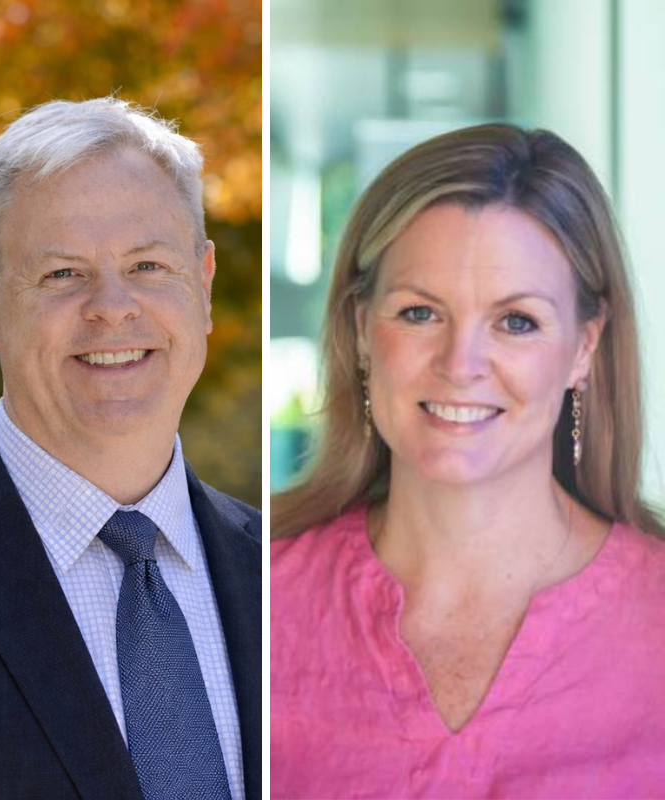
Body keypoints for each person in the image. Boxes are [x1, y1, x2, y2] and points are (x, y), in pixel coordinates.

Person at [0, 97, 262, 800]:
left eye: (147, 266)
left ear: (202, 285)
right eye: (62, 274)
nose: (112, 307)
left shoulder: (285, 578)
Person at [271, 122, 665, 797]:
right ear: (363, 328)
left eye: (517, 322)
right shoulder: (253, 591)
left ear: (583, 348)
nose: (460, 365)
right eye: (421, 313)